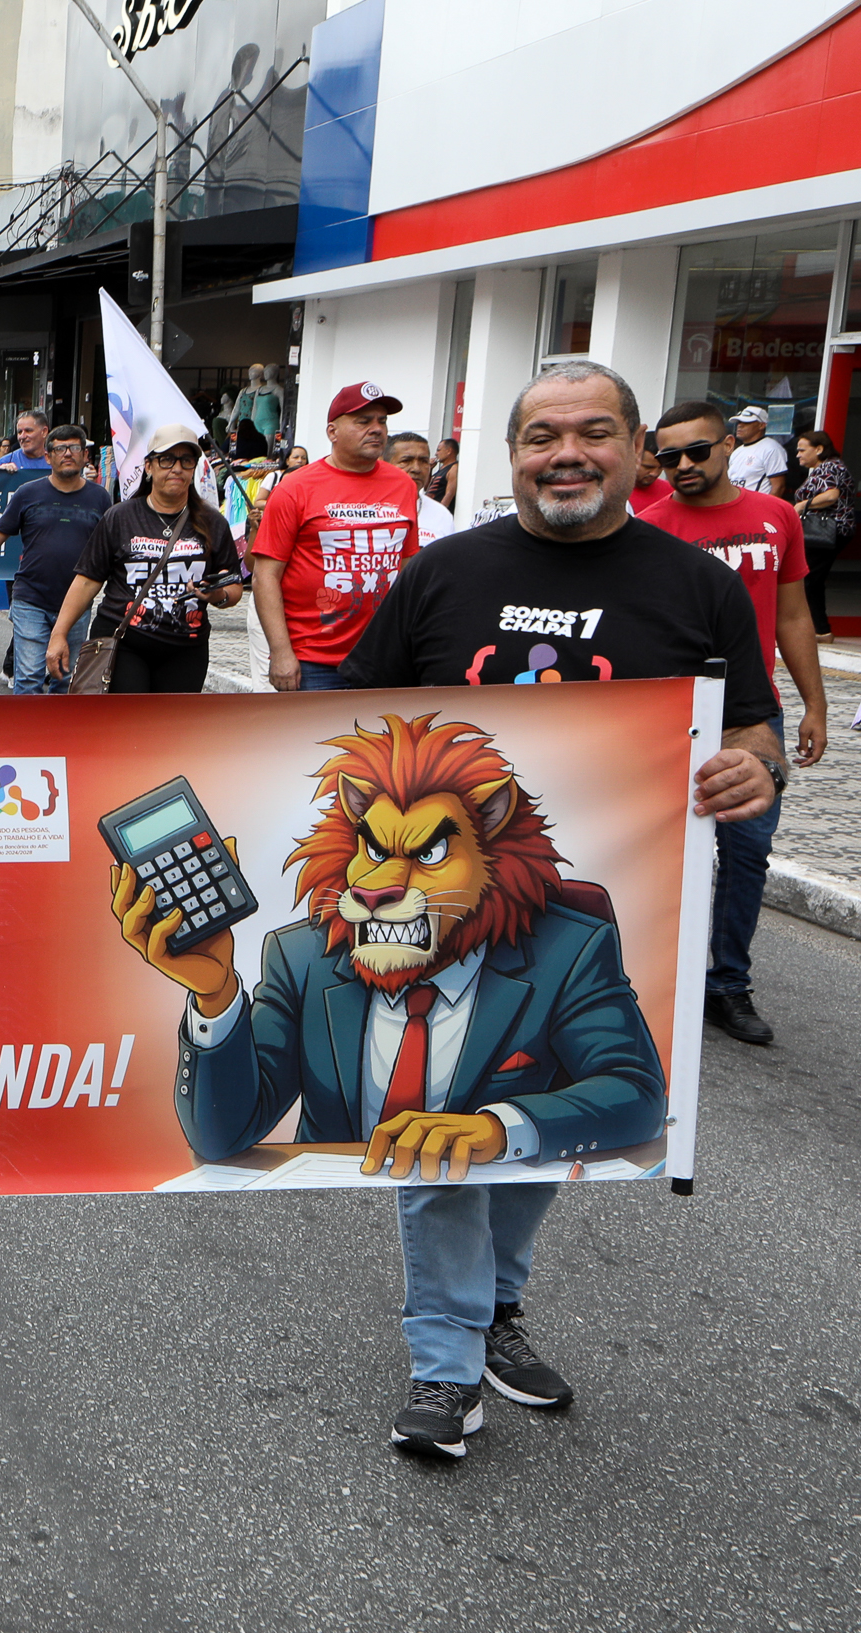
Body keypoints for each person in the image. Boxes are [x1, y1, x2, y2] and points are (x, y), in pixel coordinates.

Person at [320, 359, 782, 1458]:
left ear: (631, 449)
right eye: (540, 436)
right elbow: (353, 719)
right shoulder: (441, 574)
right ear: (511, 452)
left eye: (590, 433)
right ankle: (443, 1363)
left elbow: (753, 727)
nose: (564, 453)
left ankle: (494, 1309)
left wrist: (751, 768)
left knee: (544, 1127)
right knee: (440, 1134)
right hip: (443, 916)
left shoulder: (697, 584)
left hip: (600, 911)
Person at [642, 401, 825, 1047]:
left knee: (745, 854)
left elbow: (793, 615)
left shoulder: (775, 517)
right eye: (668, 457)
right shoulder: (645, 525)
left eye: (695, 451)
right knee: (662, 854)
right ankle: (651, 975)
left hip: (751, 716)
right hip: (668, 715)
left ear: (729, 447)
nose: (682, 466)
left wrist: (814, 704)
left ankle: (725, 984)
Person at [44, 425, 244, 693]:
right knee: (129, 725)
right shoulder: (120, 517)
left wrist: (216, 594)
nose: (177, 468)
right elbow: (87, 581)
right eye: (167, 460)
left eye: (186, 461)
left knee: (173, 731)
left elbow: (234, 587)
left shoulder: (212, 523)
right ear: (149, 466)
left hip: (186, 649)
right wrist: (59, 634)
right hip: (125, 642)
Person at [249, 383, 418, 691]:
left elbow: (408, 568)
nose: (377, 429)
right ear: (332, 431)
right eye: (363, 421)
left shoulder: (403, 485)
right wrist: (281, 652)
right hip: (314, 662)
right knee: (312, 741)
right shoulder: (295, 487)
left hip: (383, 659)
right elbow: (265, 577)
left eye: (382, 421)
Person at [0, 423, 107, 694]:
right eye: (59, 448)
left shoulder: (100, 498)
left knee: (65, 677)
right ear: (48, 457)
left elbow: (110, 548)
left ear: (84, 456)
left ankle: (58, 735)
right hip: (30, 598)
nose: (67, 453)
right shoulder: (28, 493)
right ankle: (27, 736)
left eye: (74, 448)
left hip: (77, 605)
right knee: (29, 678)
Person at [791, 429, 849, 643]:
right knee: (811, 579)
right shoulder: (823, 468)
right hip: (825, 531)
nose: (798, 454)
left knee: (808, 579)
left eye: (802, 450)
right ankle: (819, 629)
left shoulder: (829, 467)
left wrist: (801, 505)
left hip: (826, 530)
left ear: (819, 449)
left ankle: (820, 630)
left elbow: (831, 495)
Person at [386, 431, 460, 546]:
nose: (416, 469)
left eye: (423, 461)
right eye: (406, 461)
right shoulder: (364, 509)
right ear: (386, 465)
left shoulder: (441, 515)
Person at [727, 405, 790, 496]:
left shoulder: (772, 448)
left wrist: (766, 509)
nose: (740, 425)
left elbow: (778, 486)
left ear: (762, 425)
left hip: (756, 507)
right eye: (739, 422)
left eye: (746, 422)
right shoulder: (736, 452)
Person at [627, 430, 674, 515]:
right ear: (633, 458)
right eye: (648, 467)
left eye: (660, 468)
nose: (655, 473)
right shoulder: (613, 492)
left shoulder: (672, 493)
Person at [428, 437, 457, 513]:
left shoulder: (453, 468)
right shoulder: (441, 468)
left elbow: (450, 493)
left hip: (437, 511)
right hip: (429, 509)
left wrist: (440, 512)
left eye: (439, 450)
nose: (436, 453)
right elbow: (426, 488)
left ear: (449, 451)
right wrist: (430, 469)